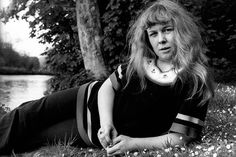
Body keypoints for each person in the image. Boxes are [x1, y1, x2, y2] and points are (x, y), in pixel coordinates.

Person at [0, 0, 215, 156]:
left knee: (34, 138)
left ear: (182, 32)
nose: (161, 40)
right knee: (27, 114)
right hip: (86, 98)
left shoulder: (194, 81)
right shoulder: (140, 65)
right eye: (154, 33)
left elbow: (180, 138)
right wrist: (106, 122)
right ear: (147, 39)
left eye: (167, 30)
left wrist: (132, 144)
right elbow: (107, 87)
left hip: (92, 132)